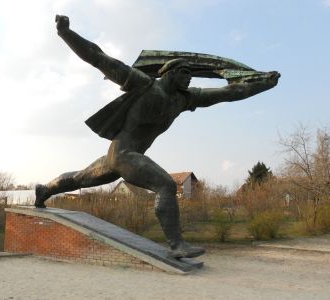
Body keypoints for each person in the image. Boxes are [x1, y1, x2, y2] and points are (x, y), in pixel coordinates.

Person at [35, 15, 280, 258]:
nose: (189, 77)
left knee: (79, 178)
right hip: (124, 154)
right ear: (170, 73)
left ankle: (44, 190)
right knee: (165, 185)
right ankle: (176, 245)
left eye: (190, 74)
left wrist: (264, 84)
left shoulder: (184, 99)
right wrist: (66, 33)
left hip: (123, 156)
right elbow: (98, 57)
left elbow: (229, 92)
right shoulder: (144, 84)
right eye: (185, 72)